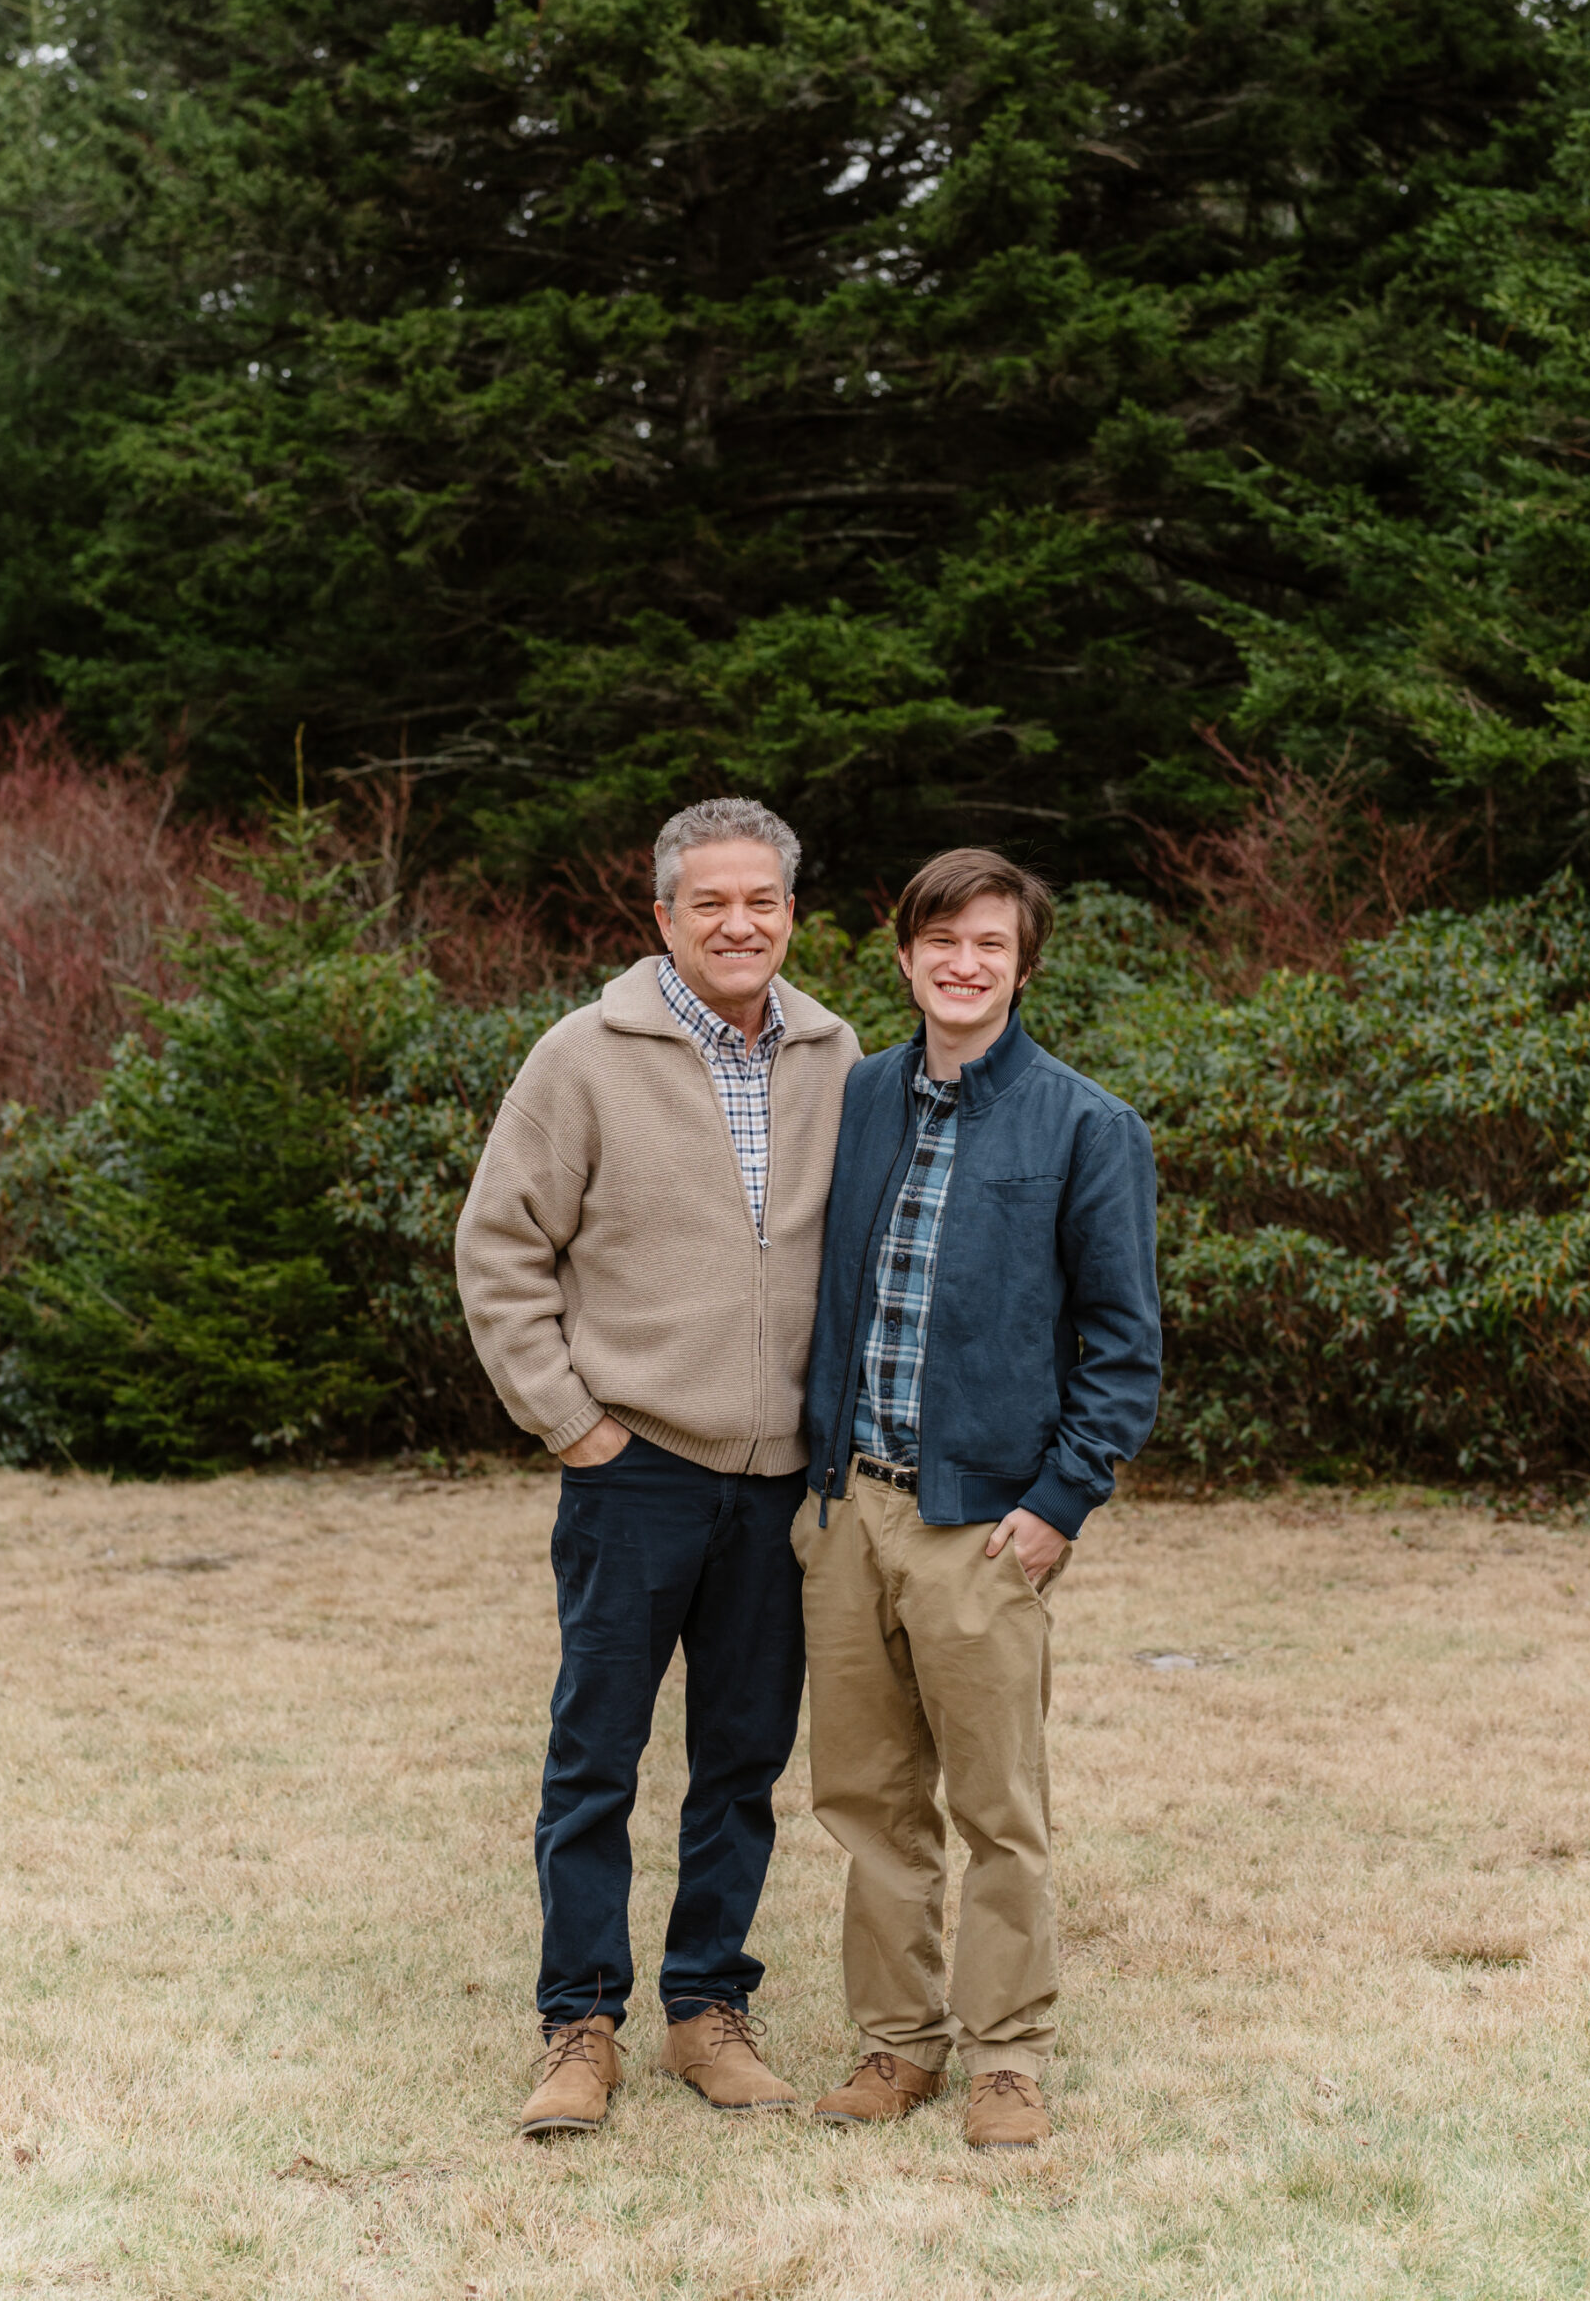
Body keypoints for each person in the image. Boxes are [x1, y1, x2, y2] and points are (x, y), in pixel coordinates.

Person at [455, 796, 860, 2138]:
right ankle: (578, 2027)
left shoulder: (835, 1053)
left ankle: (706, 2010)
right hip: (633, 1469)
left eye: (762, 902)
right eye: (709, 903)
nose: (737, 924)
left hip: (778, 1481)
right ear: (663, 917)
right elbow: (500, 1249)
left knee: (742, 1763)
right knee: (596, 1761)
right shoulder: (582, 1055)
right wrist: (571, 1423)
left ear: (790, 913)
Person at [796, 847, 1160, 2149]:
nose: (961, 964)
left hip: (983, 1523)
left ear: (1021, 966)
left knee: (996, 1809)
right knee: (865, 1799)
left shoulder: (1084, 1126)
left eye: (988, 945)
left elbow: (1123, 1347)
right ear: (903, 958)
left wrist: (1058, 1501)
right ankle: (897, 2045)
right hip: (847, 1514)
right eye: (938, 941)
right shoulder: (858, 1102)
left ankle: (1005, 2058)